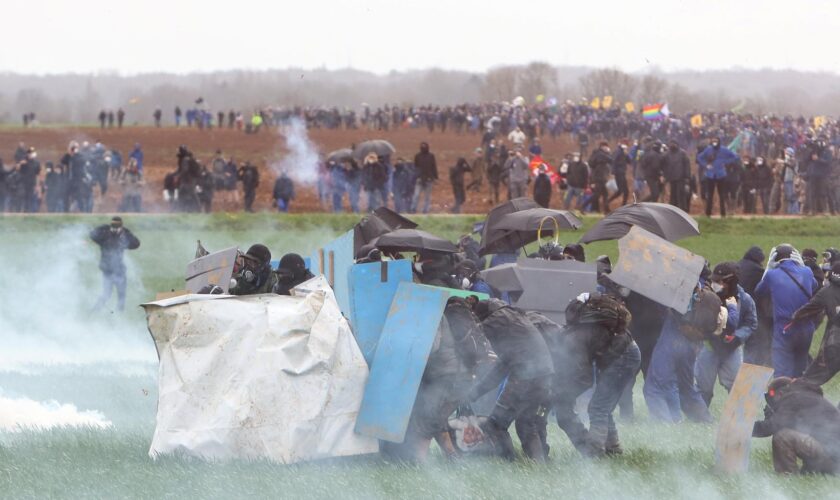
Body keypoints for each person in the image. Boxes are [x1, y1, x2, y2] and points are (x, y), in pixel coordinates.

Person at [381, 297, 491, 462]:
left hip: (446, 378)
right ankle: (452, 457)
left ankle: (420, 462)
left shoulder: (437, 316)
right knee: (437, 418)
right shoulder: (464, 320)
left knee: (426, 420)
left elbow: (433, 346)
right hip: (465, 378)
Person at [551, 294, 640, 457]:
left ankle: (595, 455)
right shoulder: (580, 332)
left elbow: (584, 379)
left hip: (623, 356)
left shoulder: (573, 340)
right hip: (625, 352)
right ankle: (613, 448)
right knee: (602, 406)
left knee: (598, 407)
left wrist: (563, 394)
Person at [468, 299, 553, 461]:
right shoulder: (515, 316)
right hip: (546, 374)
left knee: (496, 424)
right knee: (527, 422)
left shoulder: (494, 322)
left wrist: (475, 392)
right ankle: (538, 463)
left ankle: (508, 462)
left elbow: (502, 365)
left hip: (524, 376)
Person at [644, 272, 720, 423]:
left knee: (655, 387)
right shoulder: (705, 292)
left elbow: (664, 302)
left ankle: (666, 429)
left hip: (674, 338)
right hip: (692, 346)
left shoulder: (684, 291)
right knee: (686, 387)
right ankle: (705, 421)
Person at [694, 262, 757, 406]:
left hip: (732, 349)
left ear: (731, 281)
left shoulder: (745, 299)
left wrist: (738, 336)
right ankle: (700, 418)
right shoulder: (706, 295)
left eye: (719, 281)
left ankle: (735, 420)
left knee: (736, 387)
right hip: (708, 347)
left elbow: (751, 323)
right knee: (703, 387)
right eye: (714, 280)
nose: (715, 284)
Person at [755, 244, 819, 377]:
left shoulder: (772, 275)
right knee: (800, 369)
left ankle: (783, 394)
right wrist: (803, 267)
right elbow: (814, 285)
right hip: (806, 328)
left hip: (784, 328)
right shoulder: (806, 271)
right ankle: (797, 392)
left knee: (782, 370)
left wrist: (768, 269)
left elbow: (759, 291)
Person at [753, 377, 840, 475]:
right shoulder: (806, 397)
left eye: (772, 396)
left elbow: (772, 427)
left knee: (782, 436)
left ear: (781, 393)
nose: (772, 402)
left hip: (833, 458)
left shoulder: (793, 398)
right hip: (833, 455)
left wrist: (745, 428)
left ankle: (787, 476)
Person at [786, 262, 840, 386]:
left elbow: (805, 311)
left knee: (809, 380)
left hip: (835, 345)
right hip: (835, 342)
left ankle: (791, 398)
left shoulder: (826, 292)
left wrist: (793, 318)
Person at [90, 217, 140, 312]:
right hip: (108, 270)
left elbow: (136, 243)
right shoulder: (104, 235)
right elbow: (92, 234)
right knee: (107, 294)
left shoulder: (123, 236)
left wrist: (126, 232)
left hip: (119, 270)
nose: (115, 230)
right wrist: (104, 227)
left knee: (121, 296)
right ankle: (95, 310)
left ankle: (119, 315)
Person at [738, 246, 772, 366]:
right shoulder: (757, 271)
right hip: (751, 309)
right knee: (754, 342)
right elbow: (762, 293)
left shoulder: (739, 265)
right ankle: (749, 367)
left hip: (734, 307)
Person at [697, 137, 739, 217]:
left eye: (716, 141)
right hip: (710, 174)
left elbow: (735, 157)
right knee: (710, 195)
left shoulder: (724, 150)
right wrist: (706, 165)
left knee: (722, 195)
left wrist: (725, 162)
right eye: (713, 141)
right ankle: (708, 213)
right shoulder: (708, 149)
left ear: (719, 142)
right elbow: (699, 157)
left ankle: (723, 213)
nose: (714, 143)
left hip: (721, 175)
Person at [663, 141, 691, 212]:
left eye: (674, 143)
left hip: (680, 177)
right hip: (671, 178)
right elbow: (663, 165)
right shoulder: (667, 154)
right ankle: (673, 211)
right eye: (671, 143)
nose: (672, 145)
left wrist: (687, 176)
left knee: (681, 195)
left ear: (677, 144)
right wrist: (665, 176)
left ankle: (682, 210)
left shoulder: (682, 153)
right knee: (673, 195)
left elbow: (687, 165)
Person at [412, 142, 437, 213]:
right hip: (419, 178)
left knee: (427, 196)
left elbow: (434, 167)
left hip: (429, 179)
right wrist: (415, 177)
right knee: (416, 195)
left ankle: (425, 209)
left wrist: (435, 177)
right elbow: (416, 167)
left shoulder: (431, 156)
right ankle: (413, 208)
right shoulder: (417, 156)